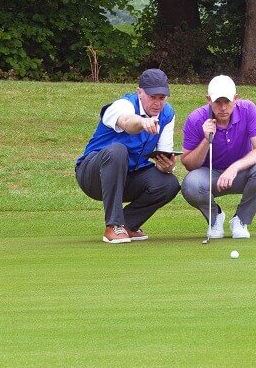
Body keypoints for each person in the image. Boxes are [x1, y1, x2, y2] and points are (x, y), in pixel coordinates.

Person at [75, 68, 181, 244]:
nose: (157, 103)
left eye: (161, 98)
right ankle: (113, 225)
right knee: (118, 150)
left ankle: (127, 224)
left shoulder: (168, 114)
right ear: (139, 92)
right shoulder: (122, 105)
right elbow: (126, 123)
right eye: (152, 97)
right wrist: (142, 122)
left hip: (127, 175)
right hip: (92, 175)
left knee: (168, 183)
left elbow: (164, 152)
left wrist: (166, 165)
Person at [180, 75, 256, 239]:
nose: (223, 108)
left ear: (236, 99)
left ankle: (240, 219)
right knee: (190, 184)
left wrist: (234, 167)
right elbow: (189, 164)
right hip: (210, 175)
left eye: (227, 102)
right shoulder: (196, 118)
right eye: (218, 102)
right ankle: (215, 218)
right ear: (209, 100)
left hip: (241, 173)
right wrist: (206, 139)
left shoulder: (248, 109)